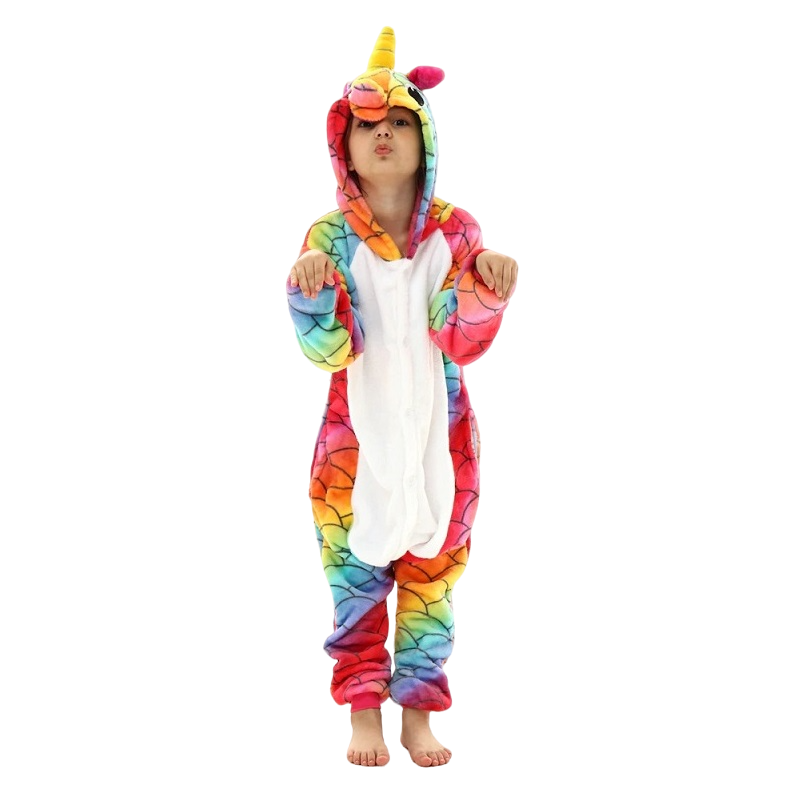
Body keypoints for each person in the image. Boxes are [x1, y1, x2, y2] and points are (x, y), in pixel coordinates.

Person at [286, 26, 518, 768]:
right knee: (354, 584)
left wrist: (486, 287)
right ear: (343, 145)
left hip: (443, 445)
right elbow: (329, 351)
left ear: (425, 138)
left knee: (434, 585)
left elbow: (461, 340)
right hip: (350, 453)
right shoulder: (328, 237)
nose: (382, 135)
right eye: (366, 126)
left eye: (398, 122)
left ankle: (418, 711)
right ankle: (363, 712)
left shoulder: (458, 231)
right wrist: (312, 294)